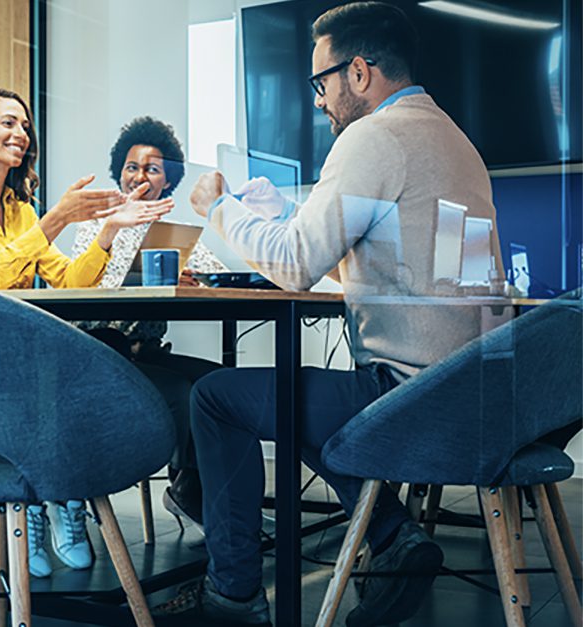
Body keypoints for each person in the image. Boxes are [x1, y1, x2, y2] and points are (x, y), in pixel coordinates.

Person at [159, 3, 504, 625]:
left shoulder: (373, 137)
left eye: (322, 82)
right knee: (305, 395)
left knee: (215, 398)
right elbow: (442, 269)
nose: (319, 100)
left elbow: (293, 265)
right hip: (474, 394)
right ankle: (393, 536)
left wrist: (221, 208)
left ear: (361, 72)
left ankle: (232, 594)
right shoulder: (455, 142)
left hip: (412, 400)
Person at [0, 88, 172, 578]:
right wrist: (58, 217)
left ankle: (57, 497)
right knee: (67, 370)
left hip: (16, 351)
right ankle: (47, 500)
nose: (21, 134)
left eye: (25, 126)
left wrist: (106, 231)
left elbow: (70, 280)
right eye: (8, 123)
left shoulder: (19, 207)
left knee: (97, 354)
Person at [71, 117, 226, 536]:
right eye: (131, 167)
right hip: (101, 352)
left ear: (168, 181)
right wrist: (154, 279)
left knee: (222, 383)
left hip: (148, 353)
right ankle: (187, 492)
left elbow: (213, 274)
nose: (140, 176)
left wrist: (194, 278)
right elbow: (93, 288)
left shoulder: (171, 231)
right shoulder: (97, 224)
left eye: (152, 169)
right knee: (189, 393)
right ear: (119, 173)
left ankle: (204, 493)